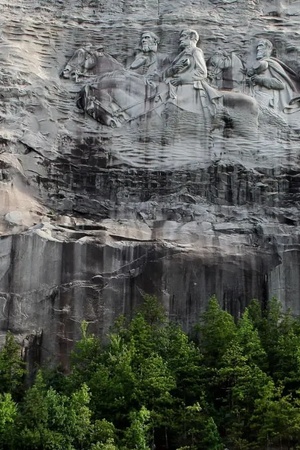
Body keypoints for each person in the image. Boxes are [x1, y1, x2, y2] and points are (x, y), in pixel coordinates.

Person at [246, 39, 297, 111]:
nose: (258, 49)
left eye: (261, 46)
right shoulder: (258, 65)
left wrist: (260, 80)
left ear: (268, 49)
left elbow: (281, 84)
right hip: (254, 96)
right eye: (257, 47)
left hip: (266, 99)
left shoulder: (272, 63)